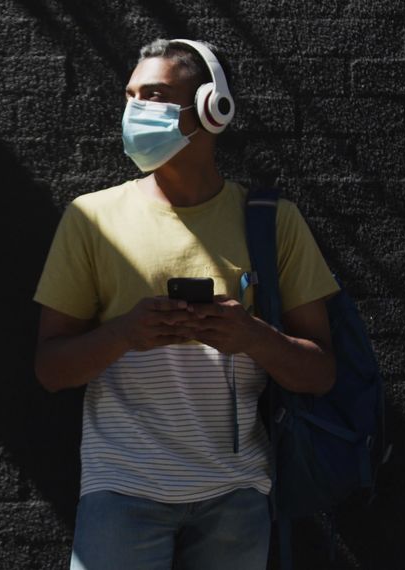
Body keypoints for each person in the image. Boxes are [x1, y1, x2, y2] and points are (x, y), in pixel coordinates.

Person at [33, 39, 342, 569]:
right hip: (120, 490)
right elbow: (50, 369)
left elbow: (321, 374)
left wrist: (252, 337)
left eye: (153, 95)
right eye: (131, 96)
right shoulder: (91, 219)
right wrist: (125, 334)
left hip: (238, 493)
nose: (136, 111)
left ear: (212, 108)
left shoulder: (272, 222)